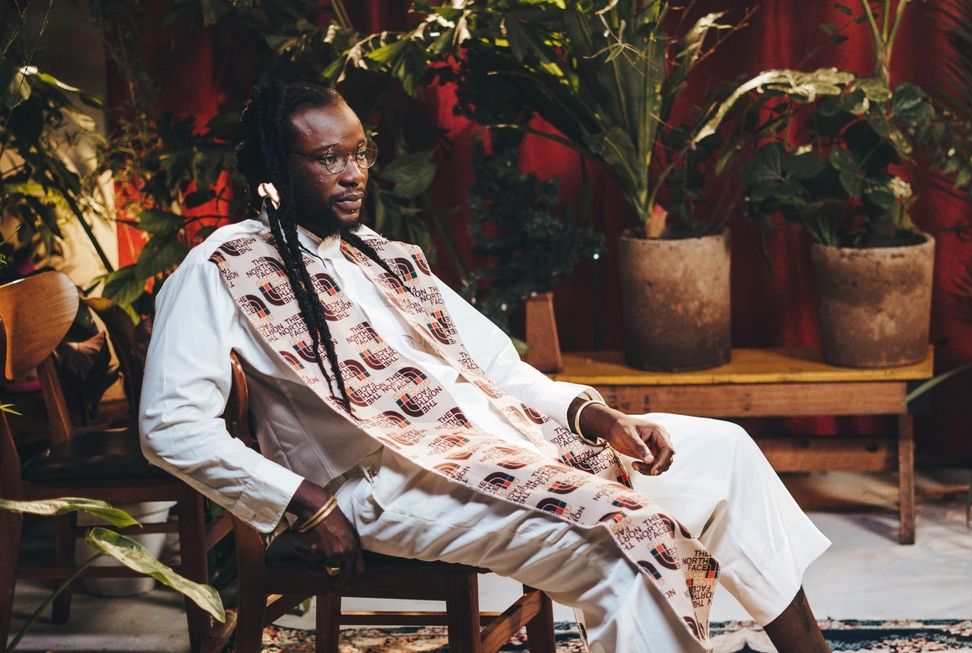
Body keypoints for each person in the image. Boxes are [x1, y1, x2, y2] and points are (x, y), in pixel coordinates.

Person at [139, 81, 831, 653]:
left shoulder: (378, 254)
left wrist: (594, 415)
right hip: (381, 485)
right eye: (327, 159)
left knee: (725, 452)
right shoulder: (221, 267)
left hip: (492, 442)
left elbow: (496, 364)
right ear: (275, 170)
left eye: (360, 152)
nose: (353, 174)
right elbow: (169, 424)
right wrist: (302, 499)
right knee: (626, 544)